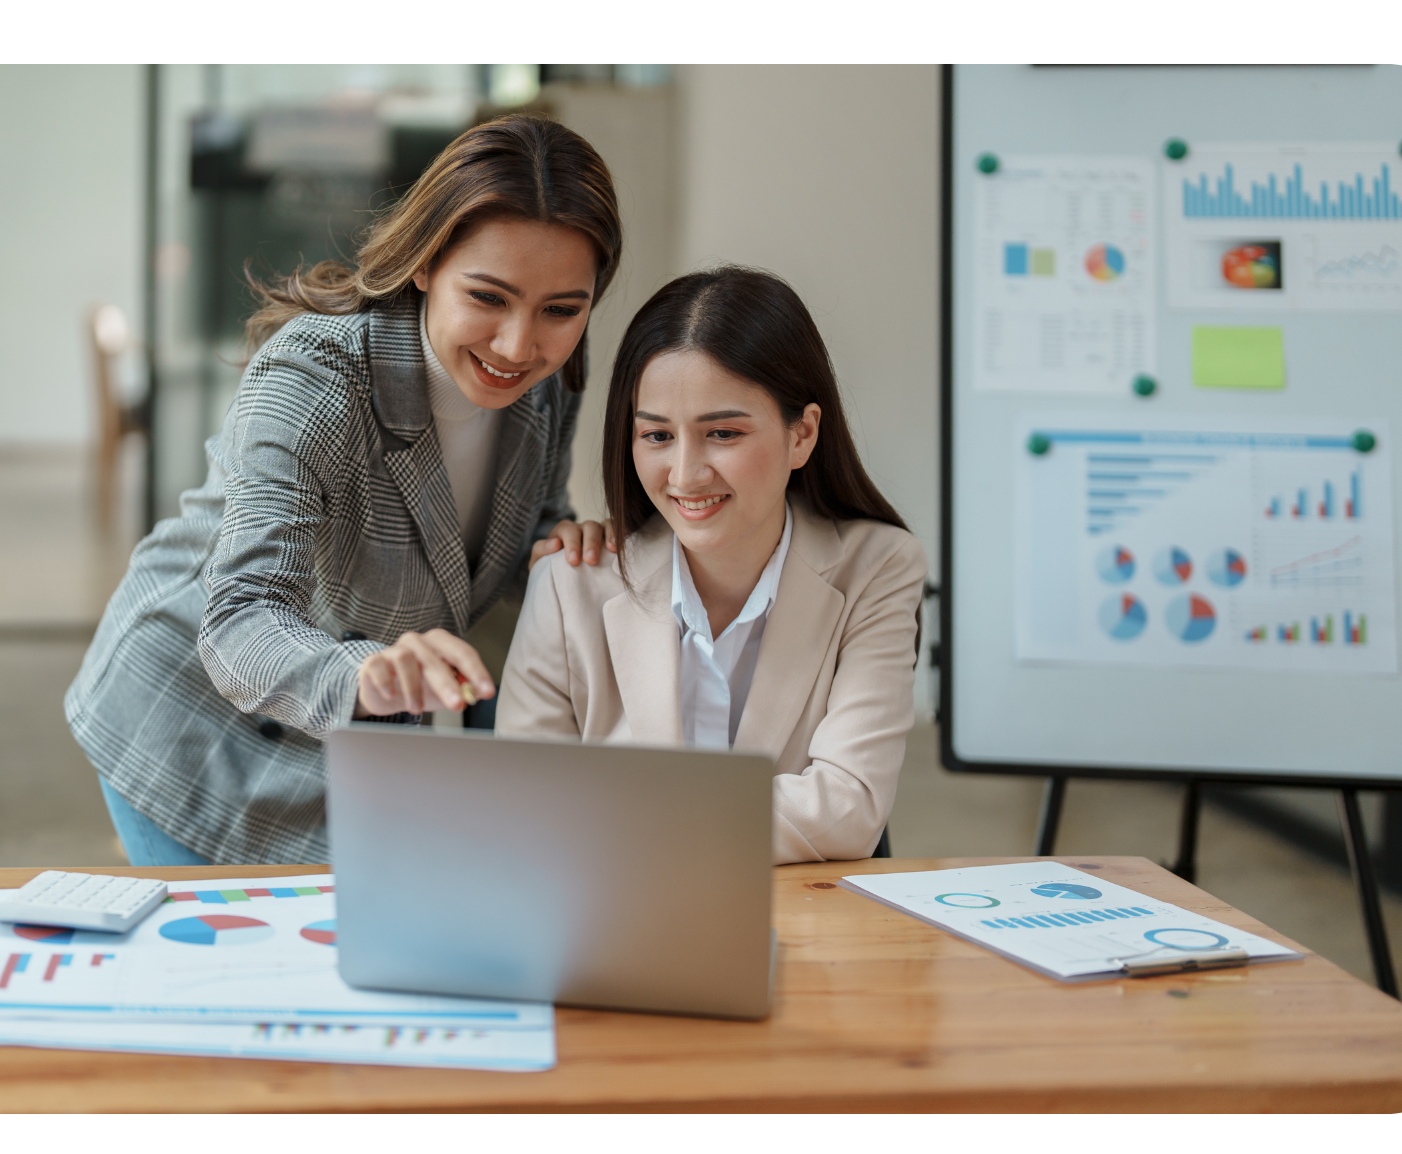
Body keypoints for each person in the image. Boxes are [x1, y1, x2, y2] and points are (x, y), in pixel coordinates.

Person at [68, 114, 624, 866]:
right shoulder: (315, 381)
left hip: (348, 746)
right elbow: (240, 622)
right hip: (190, 726)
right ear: (426, 262)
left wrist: (559, 541)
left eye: (561, 309)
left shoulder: (547, 382)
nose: (518, 345)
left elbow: (518, 519)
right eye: (488, 297)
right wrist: (365, 673)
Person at [496, 266, 927, 863]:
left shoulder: (877, 567)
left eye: (722, 433)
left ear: (802, 435)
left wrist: (611, 817)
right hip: (618, 931)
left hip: (804, 928)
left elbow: (848, 809)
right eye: (656, 437)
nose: (684, 475)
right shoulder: (570, 581)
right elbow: (522, 809)